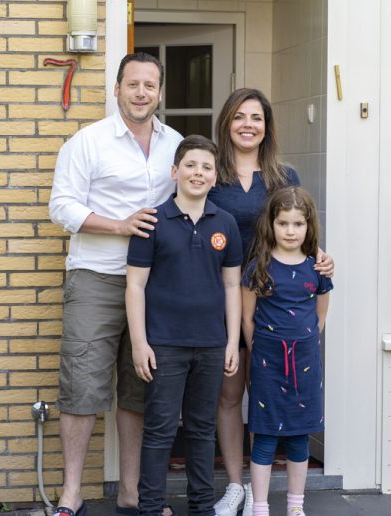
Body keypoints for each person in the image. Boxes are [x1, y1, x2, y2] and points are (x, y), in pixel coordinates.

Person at [49, 52, 182, 516]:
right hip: (97, 278)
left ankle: (131, 492)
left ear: (159, 92)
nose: (142, 93)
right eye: (133, 84)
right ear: (117, 88)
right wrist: (119, 226)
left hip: (156, 285)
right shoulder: (88, 142)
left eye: (150, 85)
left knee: (139, 387)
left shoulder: (176, 144)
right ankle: (71, 493)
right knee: (82, 385)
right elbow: (61, 207)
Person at [209, 88, 334, 516]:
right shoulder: (214, 175)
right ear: (227, 122)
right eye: (240, 116)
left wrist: (322, 260)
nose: (248, 124)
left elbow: (304, 232)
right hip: (223, 300)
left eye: (257, 117)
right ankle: (235, 486)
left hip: (277, 308)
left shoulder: (285, 176)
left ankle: (271, 495)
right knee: (229, 394)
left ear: (267, 126)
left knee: (273, 399)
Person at [125, 135, 243, 515]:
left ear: (215, 176)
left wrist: (230, 341)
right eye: (190, 165)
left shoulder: (225, 223)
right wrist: (140, 343)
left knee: (201, 428)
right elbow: (135, 285)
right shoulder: (152, 221)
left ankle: (201, 506)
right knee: (160, 429)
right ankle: (151, 506)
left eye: (206, 167)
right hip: (165, 344)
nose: (198, 173)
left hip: (210, 344)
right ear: (175, 172)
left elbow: (231, 286)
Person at [242, 186, 333, 516]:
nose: (291, 231)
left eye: (298, 224)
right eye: (283, 224)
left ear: (308, 226)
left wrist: (304, 340)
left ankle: (296, 506)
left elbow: (320, 314)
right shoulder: (258, 267)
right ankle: (260, 507)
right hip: (268, 362)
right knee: (264, 437)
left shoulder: (317, 268)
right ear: (272, 224)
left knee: (298, 436)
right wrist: (264, 347)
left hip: (306, 363)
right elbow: (247, 318)